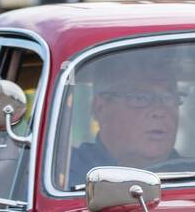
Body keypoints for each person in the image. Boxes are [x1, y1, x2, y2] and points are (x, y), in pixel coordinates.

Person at [69, 51, 187, 180]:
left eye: (168, 98)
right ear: (100, 108)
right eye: (140, 98)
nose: (159, 111)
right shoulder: (65, 177)